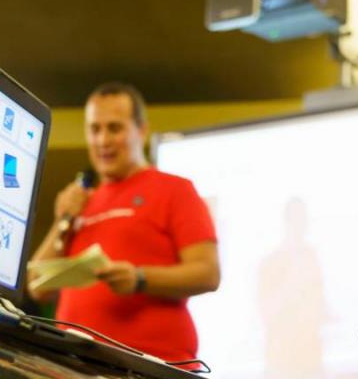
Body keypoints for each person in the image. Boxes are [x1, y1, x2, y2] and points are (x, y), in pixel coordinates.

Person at [28, 82, 220, 364]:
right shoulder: (81, 202)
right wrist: (62, 219)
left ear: (141, 131)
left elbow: (208, 273)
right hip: (73, 365)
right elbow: (37, 286)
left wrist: (140, 279)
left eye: (114, 128)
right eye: (95, 129)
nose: (103, 140)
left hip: (152, 367)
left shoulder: (175, 190)